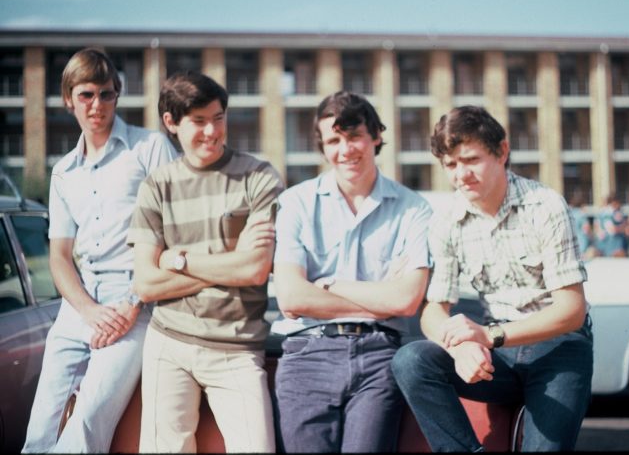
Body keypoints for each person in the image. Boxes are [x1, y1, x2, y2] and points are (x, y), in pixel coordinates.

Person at [391, 106, 593, 452]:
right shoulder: (446, 222)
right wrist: (461, 344)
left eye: (470, 159)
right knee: (410, 361)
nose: (461, 175)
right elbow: (433, 309)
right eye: (451, 165)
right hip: (497, 354)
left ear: (502, 151)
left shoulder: (545, 206)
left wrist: (488, 335)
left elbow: (571, 310)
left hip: (560, 347)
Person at [23, 48, 177, 453]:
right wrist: (88, 311)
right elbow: (59, 257)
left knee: (89, 422)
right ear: (69, 99)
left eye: (106, 94)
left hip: (136, 306)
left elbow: (173, 234)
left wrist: (131, 304)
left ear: (117, 95)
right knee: (39, 429)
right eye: (87, 95)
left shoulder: (150, 149)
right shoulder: (63, 172)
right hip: (78, 308)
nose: (97, 105)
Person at [127, 72, 283, 452]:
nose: (212, 132)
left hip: (238, 347)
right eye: (199, 121)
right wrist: (230, 261)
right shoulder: (156, 186)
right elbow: (146, 284)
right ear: (171, 123)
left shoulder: (258, 177)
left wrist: (176, 259)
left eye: (218, 118)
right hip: (169, 345)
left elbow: (255, 269)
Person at [271, 90, 432, 452]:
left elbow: (407, 301)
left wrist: (329, 286)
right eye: (334, 140)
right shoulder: (295, 202)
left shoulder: (413, 209)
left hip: (380, 357)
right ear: (323, 147)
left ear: (375, 136)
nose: (346, 149)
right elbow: (291, 297)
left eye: (355, 135)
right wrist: (379, 300)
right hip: (306, 354)